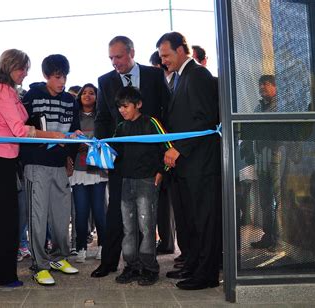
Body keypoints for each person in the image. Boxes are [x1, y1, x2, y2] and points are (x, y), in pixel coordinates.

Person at [0, 49, 65, 287]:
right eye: (21, 68)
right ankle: (3, 275)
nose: (25, 73)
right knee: (7, 219)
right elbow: (19, 129)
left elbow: (21, 118)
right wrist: (53, 134)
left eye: (26, 68)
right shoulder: (3, 90)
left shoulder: (2, 88)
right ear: (9, 66)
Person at [92, 35, 170, 278]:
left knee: (146, 218)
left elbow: (165, 114)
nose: (115, 62)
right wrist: (103, 150)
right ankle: (112, 263)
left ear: (131, 52)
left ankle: (147, 266)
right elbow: (102, 118)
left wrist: (162, 162)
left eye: (119, 56)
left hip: (149, 163)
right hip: (121, 162)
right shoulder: (105, 81)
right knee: (117, 213)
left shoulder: (154, 75)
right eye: (111, 58)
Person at [157, 32, 221, 290]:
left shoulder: (198, 75)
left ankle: (207, 275)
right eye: (161, 56)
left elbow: (205, 118)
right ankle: (193, 265)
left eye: (167, 55)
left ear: (183, 49)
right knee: (192, 220)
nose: (163, 61)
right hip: (187, 166)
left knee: (205, 221)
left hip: (201, 164)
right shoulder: (181, 78)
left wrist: (179, 149)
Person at [20, 54, 81, 286]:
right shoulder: (32, 96)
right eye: (57, 77)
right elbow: (21, 129)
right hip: (36, 165)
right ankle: (39, 265)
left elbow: (74, 130)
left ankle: (59, 257)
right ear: (46, 76)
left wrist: (70, 156)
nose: (62, 81)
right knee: (38, 216)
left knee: (61, 216)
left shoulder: (70, 100)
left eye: (64, 76)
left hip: (59, 166)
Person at [112, 86, 167, 286]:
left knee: (147, 226)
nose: (122, 110)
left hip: (147, 181)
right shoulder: (120, 127)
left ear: (139, 104)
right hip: (126, 182)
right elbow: (114, 152)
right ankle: (132, 267)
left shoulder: (151, 123)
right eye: (119, 107)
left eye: (125, 106)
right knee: (128, 228)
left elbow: (167, 147)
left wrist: (161, 171)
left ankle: (150, 268)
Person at [68, 83, 108, 263]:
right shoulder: (73, 117)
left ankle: (103, 247)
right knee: (81, 212)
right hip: (78, 168)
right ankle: (81, 248)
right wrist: (78, 144)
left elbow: (106, 138)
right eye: (84, 93)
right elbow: (68, 137)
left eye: (92, 93)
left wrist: (91, 143)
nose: (88, 95)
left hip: (97, 169)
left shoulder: (102, 116)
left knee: (100, 211)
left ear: (97, 97)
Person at [250, 75, 282, 251]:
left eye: (266, 84)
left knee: (279, 200)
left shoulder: (280, 106)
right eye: (260, 84)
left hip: (277, 157)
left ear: (276, 87)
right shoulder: (258, 107)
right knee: (265, 201)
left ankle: (278, 240)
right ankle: (267, 236)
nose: (262, 87)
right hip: (261, 159)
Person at [149, 50, 176, 256]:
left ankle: (167, 242)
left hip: (169, 148)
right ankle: (165, 240)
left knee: (165, 199)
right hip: (162, 148)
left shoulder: (174, 84)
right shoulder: (165, 85)